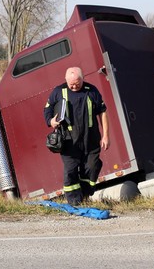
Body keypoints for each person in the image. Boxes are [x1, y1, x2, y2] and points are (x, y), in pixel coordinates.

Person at [44, 67, 109, 205]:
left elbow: (102, 112)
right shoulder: (58, 92)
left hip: (90, 139)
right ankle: (74, 202)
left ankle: (85, 195)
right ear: (66, 80)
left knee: (92, 166)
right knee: (71, 171)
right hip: (68, 141)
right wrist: (51, 121)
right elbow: (47, 109)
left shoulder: (92, 91)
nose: (74, 87)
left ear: (83, 78)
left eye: (77, 84)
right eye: (71, 84)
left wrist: (105, 135)